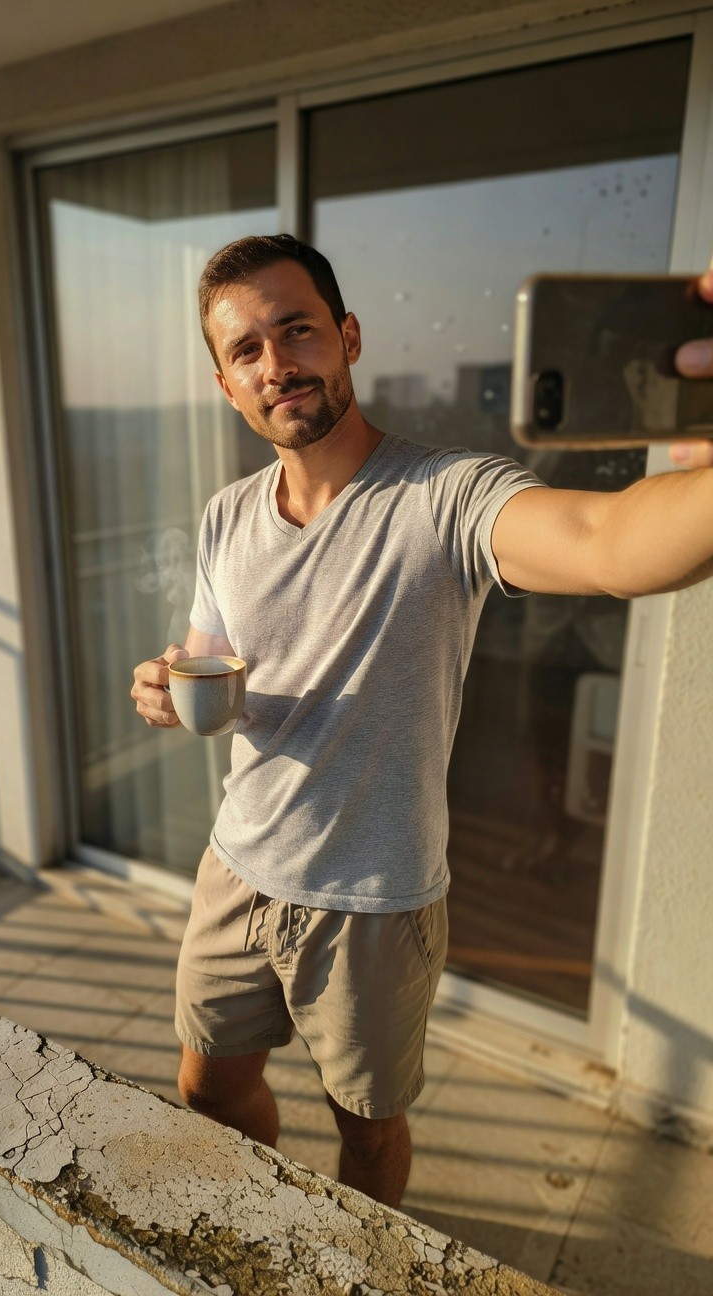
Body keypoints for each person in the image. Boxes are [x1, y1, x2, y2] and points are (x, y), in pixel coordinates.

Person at [130, 236, 713, 1208]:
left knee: (367, 1131)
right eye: (246, 350)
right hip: (236, 864)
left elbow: (608, 542)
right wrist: (169, 686)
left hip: (372, 900)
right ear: (224, 382)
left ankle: (359, 1254)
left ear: (348, 338)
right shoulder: (228, 515)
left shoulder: (446, 495)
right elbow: (212, 663)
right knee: (209, 1088)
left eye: (297, 329)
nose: (276, 363)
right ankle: (273, 1218)